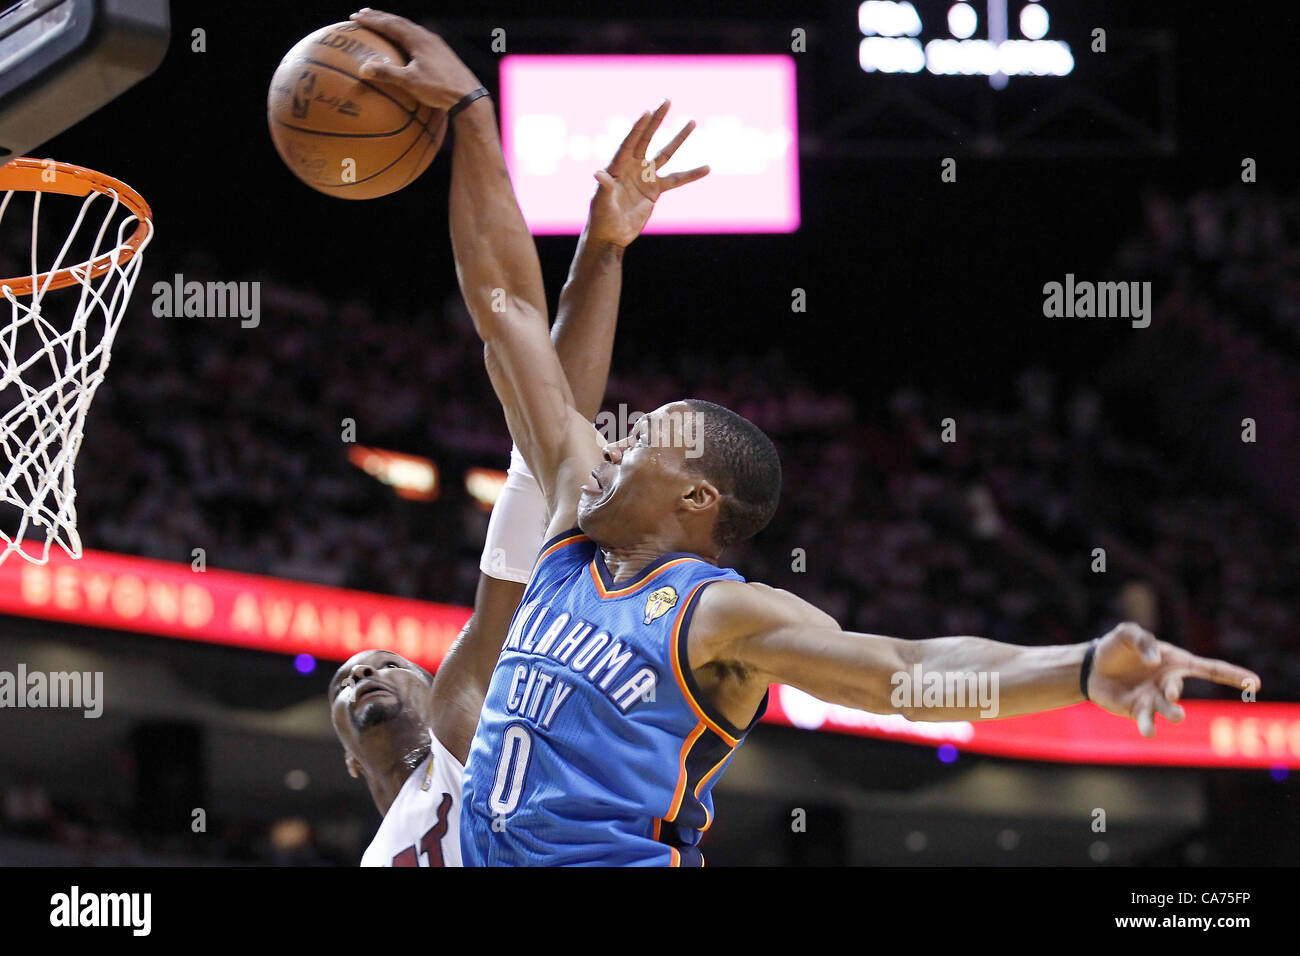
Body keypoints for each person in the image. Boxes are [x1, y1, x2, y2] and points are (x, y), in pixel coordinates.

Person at [350, 8, 1263, 867]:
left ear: (697, 497)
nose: (615, 445)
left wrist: (1079, 667)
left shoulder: (723, 614)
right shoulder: (568, 525)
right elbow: (506, 311)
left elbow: (904, 674)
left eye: (646, 444)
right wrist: (486, 128)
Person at [326, 80, 707, 865]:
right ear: (344, 756)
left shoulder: (471, 729)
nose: (362, 670)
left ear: (450, 684)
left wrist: (600, 252)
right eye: (347, 678)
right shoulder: (389, 848)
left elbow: (543, 447)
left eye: (387, 663)